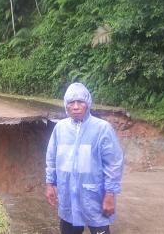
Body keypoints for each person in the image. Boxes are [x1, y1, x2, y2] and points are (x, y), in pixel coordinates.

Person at [45, 83, 124, 234]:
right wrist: (50, 184)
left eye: (80, 102)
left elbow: (113, 164)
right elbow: (51, 158)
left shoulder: (102, 128)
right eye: (71, 102)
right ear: (65, 105)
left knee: (99, 228)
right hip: (67, 196)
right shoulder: (60, 128)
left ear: (88, 103)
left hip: (94, 198)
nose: (76, 107)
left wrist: (109, 195)